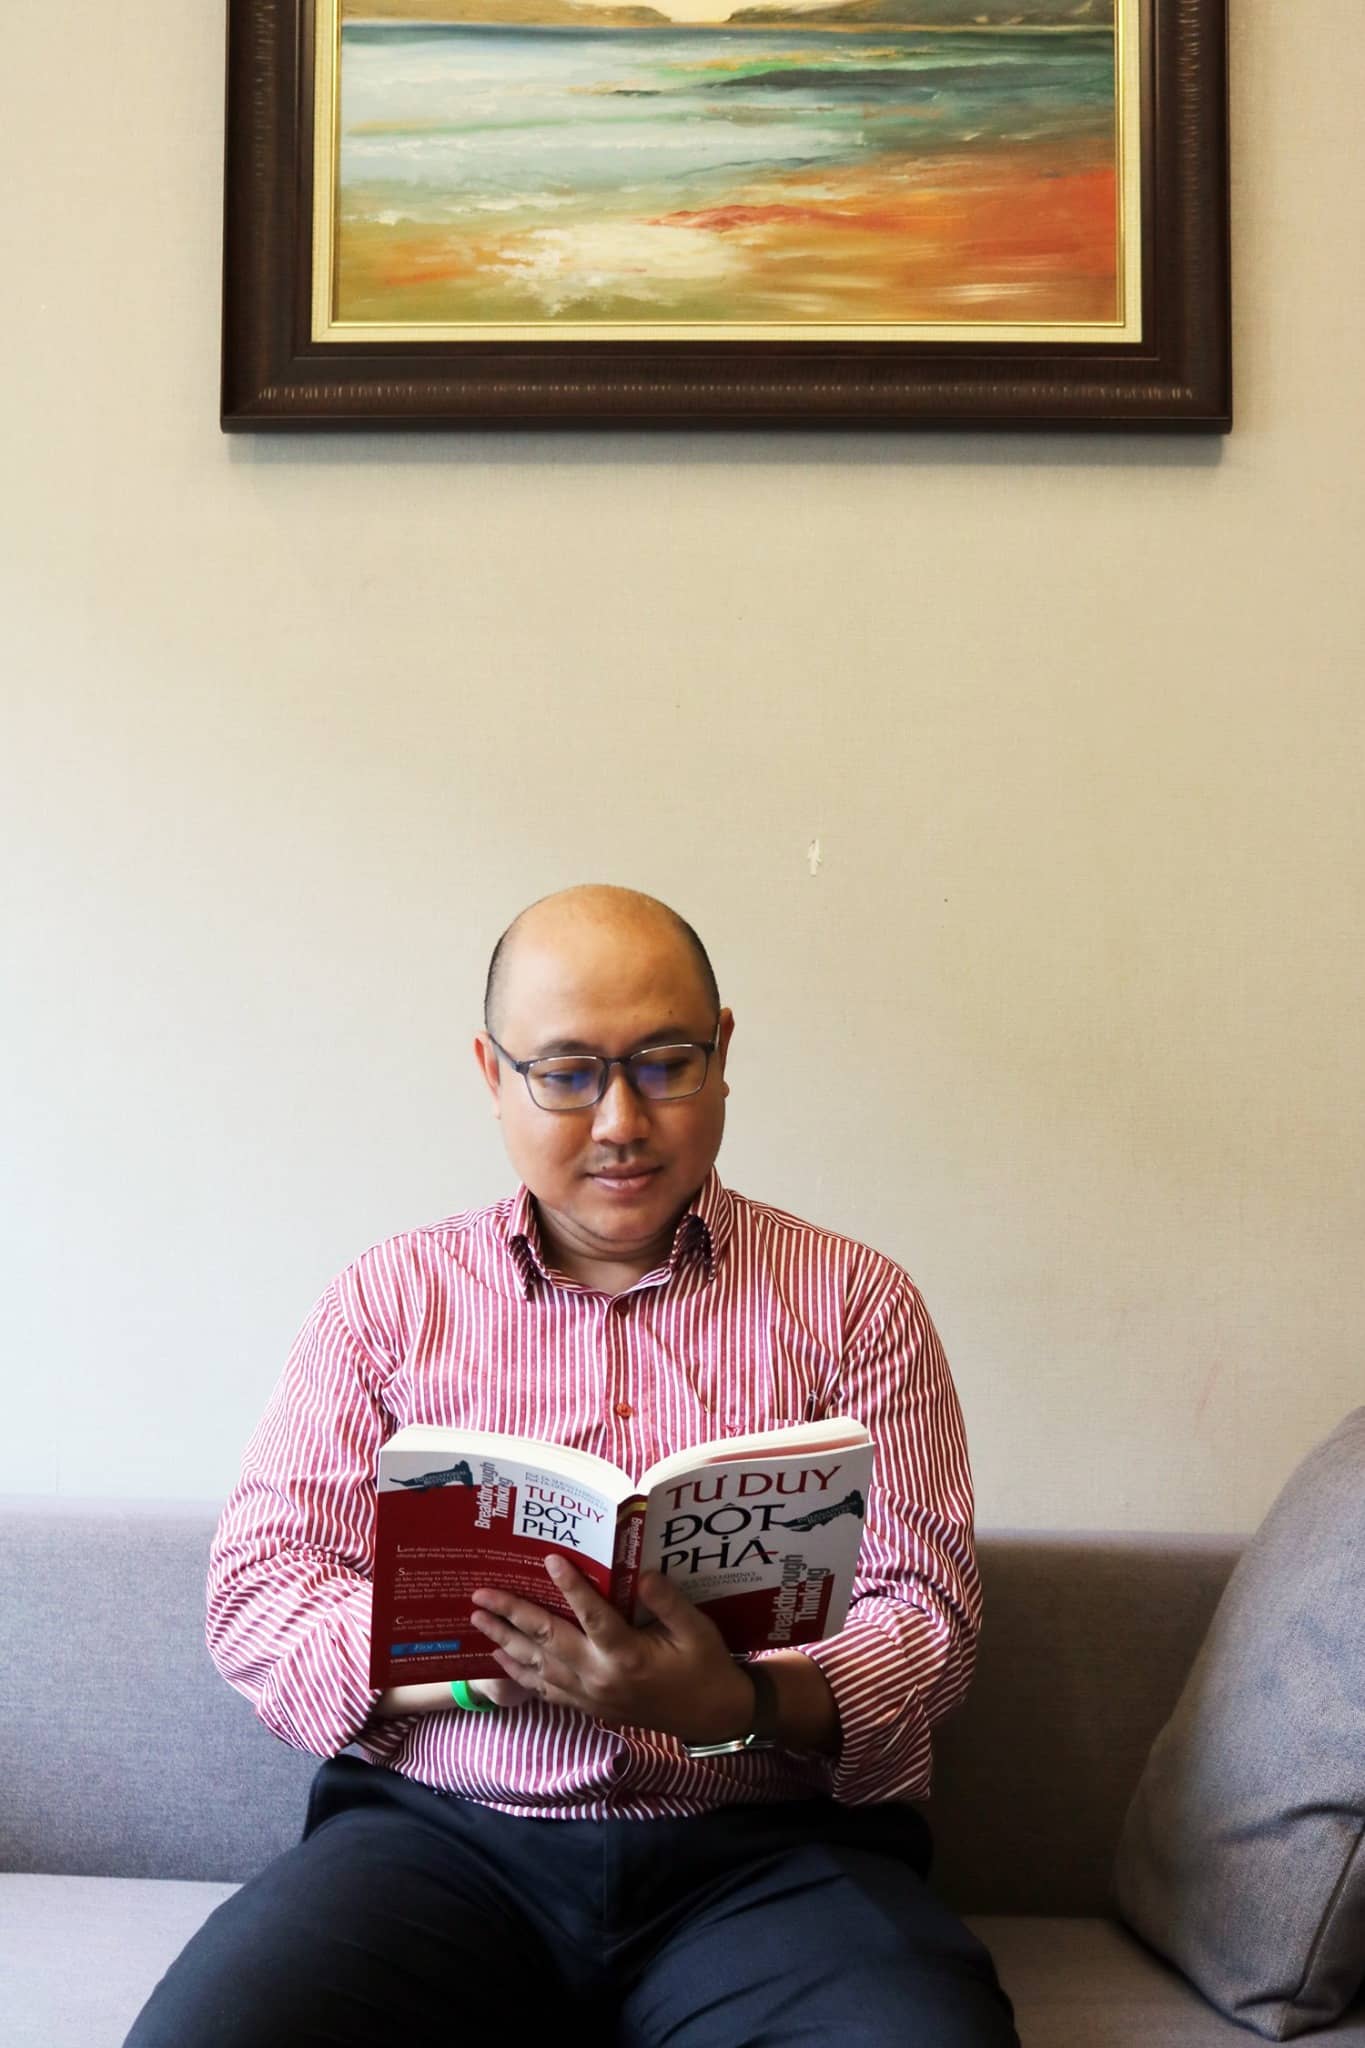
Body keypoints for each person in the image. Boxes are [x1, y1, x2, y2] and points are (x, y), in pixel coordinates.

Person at [125, 884, 1019, 2048]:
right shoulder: (389, 1302)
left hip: (767, 1856)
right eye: (565, 1072)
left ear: (724, 1054)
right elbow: (258, 1595)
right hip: (438, 1842)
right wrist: (465, 1670)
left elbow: (929, 1618)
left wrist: (733, 1700)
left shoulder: (856, 1301)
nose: (620, 1120)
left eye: (665, 1063)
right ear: (492, 1074)